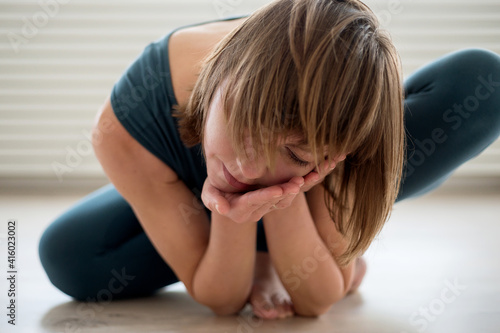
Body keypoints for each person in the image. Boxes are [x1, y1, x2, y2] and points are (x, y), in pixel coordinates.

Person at [39, 0, 500, 320]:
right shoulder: (123, 125)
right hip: (192, 191)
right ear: (219, 74)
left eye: (295, 152)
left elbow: (319, 299)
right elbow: (220, 300)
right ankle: (276, 249)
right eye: (243, 121)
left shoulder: (333, 147)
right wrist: (232, 210)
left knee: (485, 83)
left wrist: (284, 199)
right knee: (67, 256)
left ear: (332, 157)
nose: (246, 165)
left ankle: (334, 216)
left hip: (330, 154)